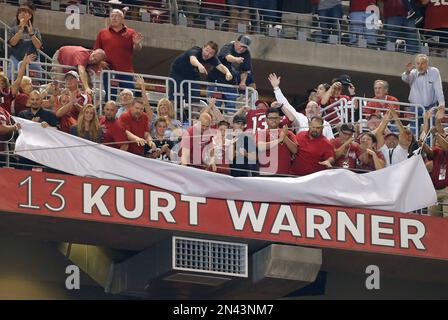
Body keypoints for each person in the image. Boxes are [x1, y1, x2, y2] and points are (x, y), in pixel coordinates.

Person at [268, 73, 334, 139]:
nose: (310, 109)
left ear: (318, 110)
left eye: (314, 107)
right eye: (308, 107)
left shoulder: (326, 124)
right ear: (305, 110)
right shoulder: (301, 118)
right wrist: (276, 88)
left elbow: (331, 141)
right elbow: (287, 105)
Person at [94, 8, 143, 98]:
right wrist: (100, 62)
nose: (113, 18)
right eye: (112, 16)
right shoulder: (102, 32)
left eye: (116, 16)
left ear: (122, 18)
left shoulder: (131, 32)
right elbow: (96, 51)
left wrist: (137, 43)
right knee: (110, 97)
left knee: (129, 97)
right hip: (109, 71)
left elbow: (138, 49)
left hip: (126, 72)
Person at [207, 35, 253, 110]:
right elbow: (227, 57)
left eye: (244, 47)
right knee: (214, 107)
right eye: (241, 46)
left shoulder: (246, 53)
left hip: (231, 84)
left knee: (231, 108)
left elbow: (245, 70)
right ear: (236, 42)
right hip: (216, 82)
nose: (242, 49)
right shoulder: (228, 46)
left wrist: (243, 82)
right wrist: (236, 59)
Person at [401, 54, 445, 127]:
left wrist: (441, 104)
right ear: (415, 65)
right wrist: (407, 72)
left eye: (423, 63)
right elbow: (404, 78)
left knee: (431, 131)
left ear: (427, 64)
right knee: (414, 130)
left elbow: (438, 89)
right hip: (415, 108)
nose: (420, 66)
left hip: (431, 107)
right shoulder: (412, 73)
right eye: (418, 63)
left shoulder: (434, 71)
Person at [256, 108, 297, 176]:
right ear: (266, 120)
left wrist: (285, 137)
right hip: (266, 173)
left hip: (285, 173)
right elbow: (260, 147)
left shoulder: (288, 132)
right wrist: (279, 140)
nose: (274, 120)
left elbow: (295, 150)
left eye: (276, 118)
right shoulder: (262, 132)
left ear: (279, 119)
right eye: (271, 118)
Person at [7, 5, 43, 80]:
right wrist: (20, 30)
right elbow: (12, 43)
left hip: (32, 61)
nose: (22, 14)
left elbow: (38, 46)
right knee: (12, 80)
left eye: (25, 12)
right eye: (20, 13)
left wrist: (32, 34)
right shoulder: (13, 30)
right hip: (16, 60)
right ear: (17, 16)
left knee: (35, 84)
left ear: (30, 16)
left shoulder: (35, 30)